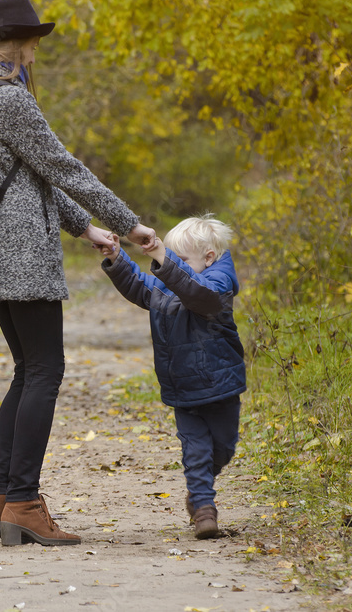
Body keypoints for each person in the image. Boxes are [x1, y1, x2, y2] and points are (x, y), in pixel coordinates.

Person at [0, 0, 156, 547]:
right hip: (20, 253)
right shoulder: (10, 99)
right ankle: (24, 502)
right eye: (35, 42)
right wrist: (128, 222)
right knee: (45, 369)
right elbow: (63, 167)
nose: (37, 52)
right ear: (21, 42)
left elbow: (25, 177)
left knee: (27, 370)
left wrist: (85, 228)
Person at [98, 215, 246, 539]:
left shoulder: (218, 284)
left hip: (220, 387)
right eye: (170, 259)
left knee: (224, 448)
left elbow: (197, 292)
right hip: (184, 387)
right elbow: (140, 285)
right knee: (195, 451)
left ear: (208, 258)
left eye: (178, 260)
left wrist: (165, 259)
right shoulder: (167, 284)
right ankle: (204, 509)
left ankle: (199, 490)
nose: (169, 267)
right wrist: (116, 258)